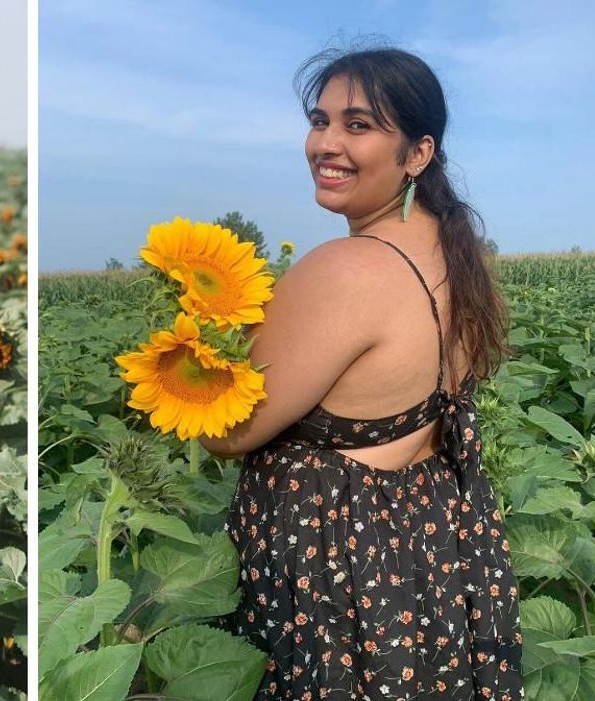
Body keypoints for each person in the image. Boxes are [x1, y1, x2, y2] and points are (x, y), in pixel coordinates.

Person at [200, 48, 523, 699]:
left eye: (358, 125)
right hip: (428, 550)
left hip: (334, 569)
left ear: (417, 153)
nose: (325, 143)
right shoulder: (457, 258)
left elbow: (227, 431)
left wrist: (196, 349)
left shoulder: (345, 270)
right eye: (319, 121)